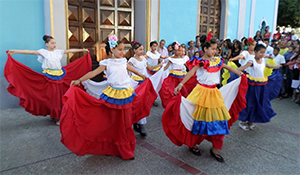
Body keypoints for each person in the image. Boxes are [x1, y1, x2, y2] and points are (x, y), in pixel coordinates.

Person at [60, 35, 158, 160]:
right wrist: (79, 80)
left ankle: (125, 148)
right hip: (112, 95)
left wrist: (142, 75)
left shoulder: (123, 61)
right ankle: (108, 146)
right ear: (112, 50)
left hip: (125, 94)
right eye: (120, 50)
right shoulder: (106, 63)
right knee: (112, 122)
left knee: (125, 123)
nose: (123, 52)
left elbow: (131, 68)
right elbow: (93, 73)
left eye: (123, 49)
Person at [162, 33, 247, 163]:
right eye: (212, 48)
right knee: (196, 119)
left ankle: (215, 148)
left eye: (216, 48)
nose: (215, 51)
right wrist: (180, 84)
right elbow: (191, 72)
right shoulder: (200, 61)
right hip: (201, 93)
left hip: (214, 93)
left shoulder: (218, 60)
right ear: (205, 48)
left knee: (218, 119)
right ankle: (193, 143)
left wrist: (240, 73)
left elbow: (228, 67)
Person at [5, 35, 90, 125]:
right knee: (52, 97)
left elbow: (69, 51)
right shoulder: (44, 52)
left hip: (60, 75)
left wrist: (83, 50)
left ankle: (58, 115)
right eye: (52, 43)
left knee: (59, 96)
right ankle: (55, 116)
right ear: (47, 44)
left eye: (55, 43)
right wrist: (15, 51)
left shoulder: (58, 52)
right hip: (49, 77)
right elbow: (30, 52)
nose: (54, 45)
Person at [238, 44, 281, 130]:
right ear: (255, 52)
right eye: (260, 52)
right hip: (252, 86)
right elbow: (243, 67)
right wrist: (234, 70)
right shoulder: (251, 61)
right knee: (250, 103)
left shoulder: (263, 60)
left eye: (263, 53)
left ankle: (251, 120)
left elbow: (268, 65)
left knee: (259, 103)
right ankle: (242, 121)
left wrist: (276, 66)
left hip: (261, 86)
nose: (262, 54)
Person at [128, 41, 164, 136]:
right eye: (140, 49)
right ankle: (134, 122)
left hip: (143, 84)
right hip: (134, 84)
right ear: (134, 50)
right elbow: (128, 70)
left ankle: (141, 124)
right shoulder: (132, 60)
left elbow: (150, 68)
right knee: (134, 103)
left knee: (142, 103)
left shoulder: (144, 60)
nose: (142, 51)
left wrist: (159, 66)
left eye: (143, 49)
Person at [159, 42, 190, 108]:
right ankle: (172, 107)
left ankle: (180, 108)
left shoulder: (183, 59)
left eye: (181, 51)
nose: (180, 52)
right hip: (172, 79)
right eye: (178, 50)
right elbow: (166, 68)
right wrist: (159, 71)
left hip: (181, 79)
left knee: (183, 93)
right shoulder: (171, 59)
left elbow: (189, 67)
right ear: (174, 51)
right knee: (171, 93)